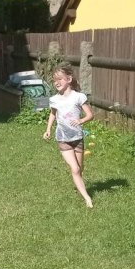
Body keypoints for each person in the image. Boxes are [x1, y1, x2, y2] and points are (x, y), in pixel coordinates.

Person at [43, 64, 95, 207]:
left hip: (77, 138)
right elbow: (53, 114)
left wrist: (81, 121)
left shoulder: (79, 97)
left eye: (60, 79)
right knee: (75, 169)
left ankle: (79, 186)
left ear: (69, 79)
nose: (56, 82)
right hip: (63, 138)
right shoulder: (54, 99)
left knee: (80, 167)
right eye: (54, 80)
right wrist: (48, 129)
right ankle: (87, 198)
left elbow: (90, 115)